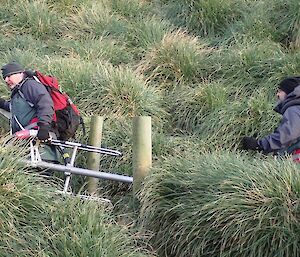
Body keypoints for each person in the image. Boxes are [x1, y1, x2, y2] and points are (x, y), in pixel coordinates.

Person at [0, 61, 59, 163]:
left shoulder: (30, 85)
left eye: (9, 76)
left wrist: (44, 127)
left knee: (41, 176)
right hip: (29, 147)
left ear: (20, 73)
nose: (6, 80)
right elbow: (17, 109)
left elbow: (45, 103)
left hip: (40, 148)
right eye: (4, 77)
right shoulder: (19, 90)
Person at [242, 76, 300, 161]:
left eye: (280, 91)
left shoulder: (294, 109)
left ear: (289, 92)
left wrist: (259, 144)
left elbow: (289, 133)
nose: (277, 94)